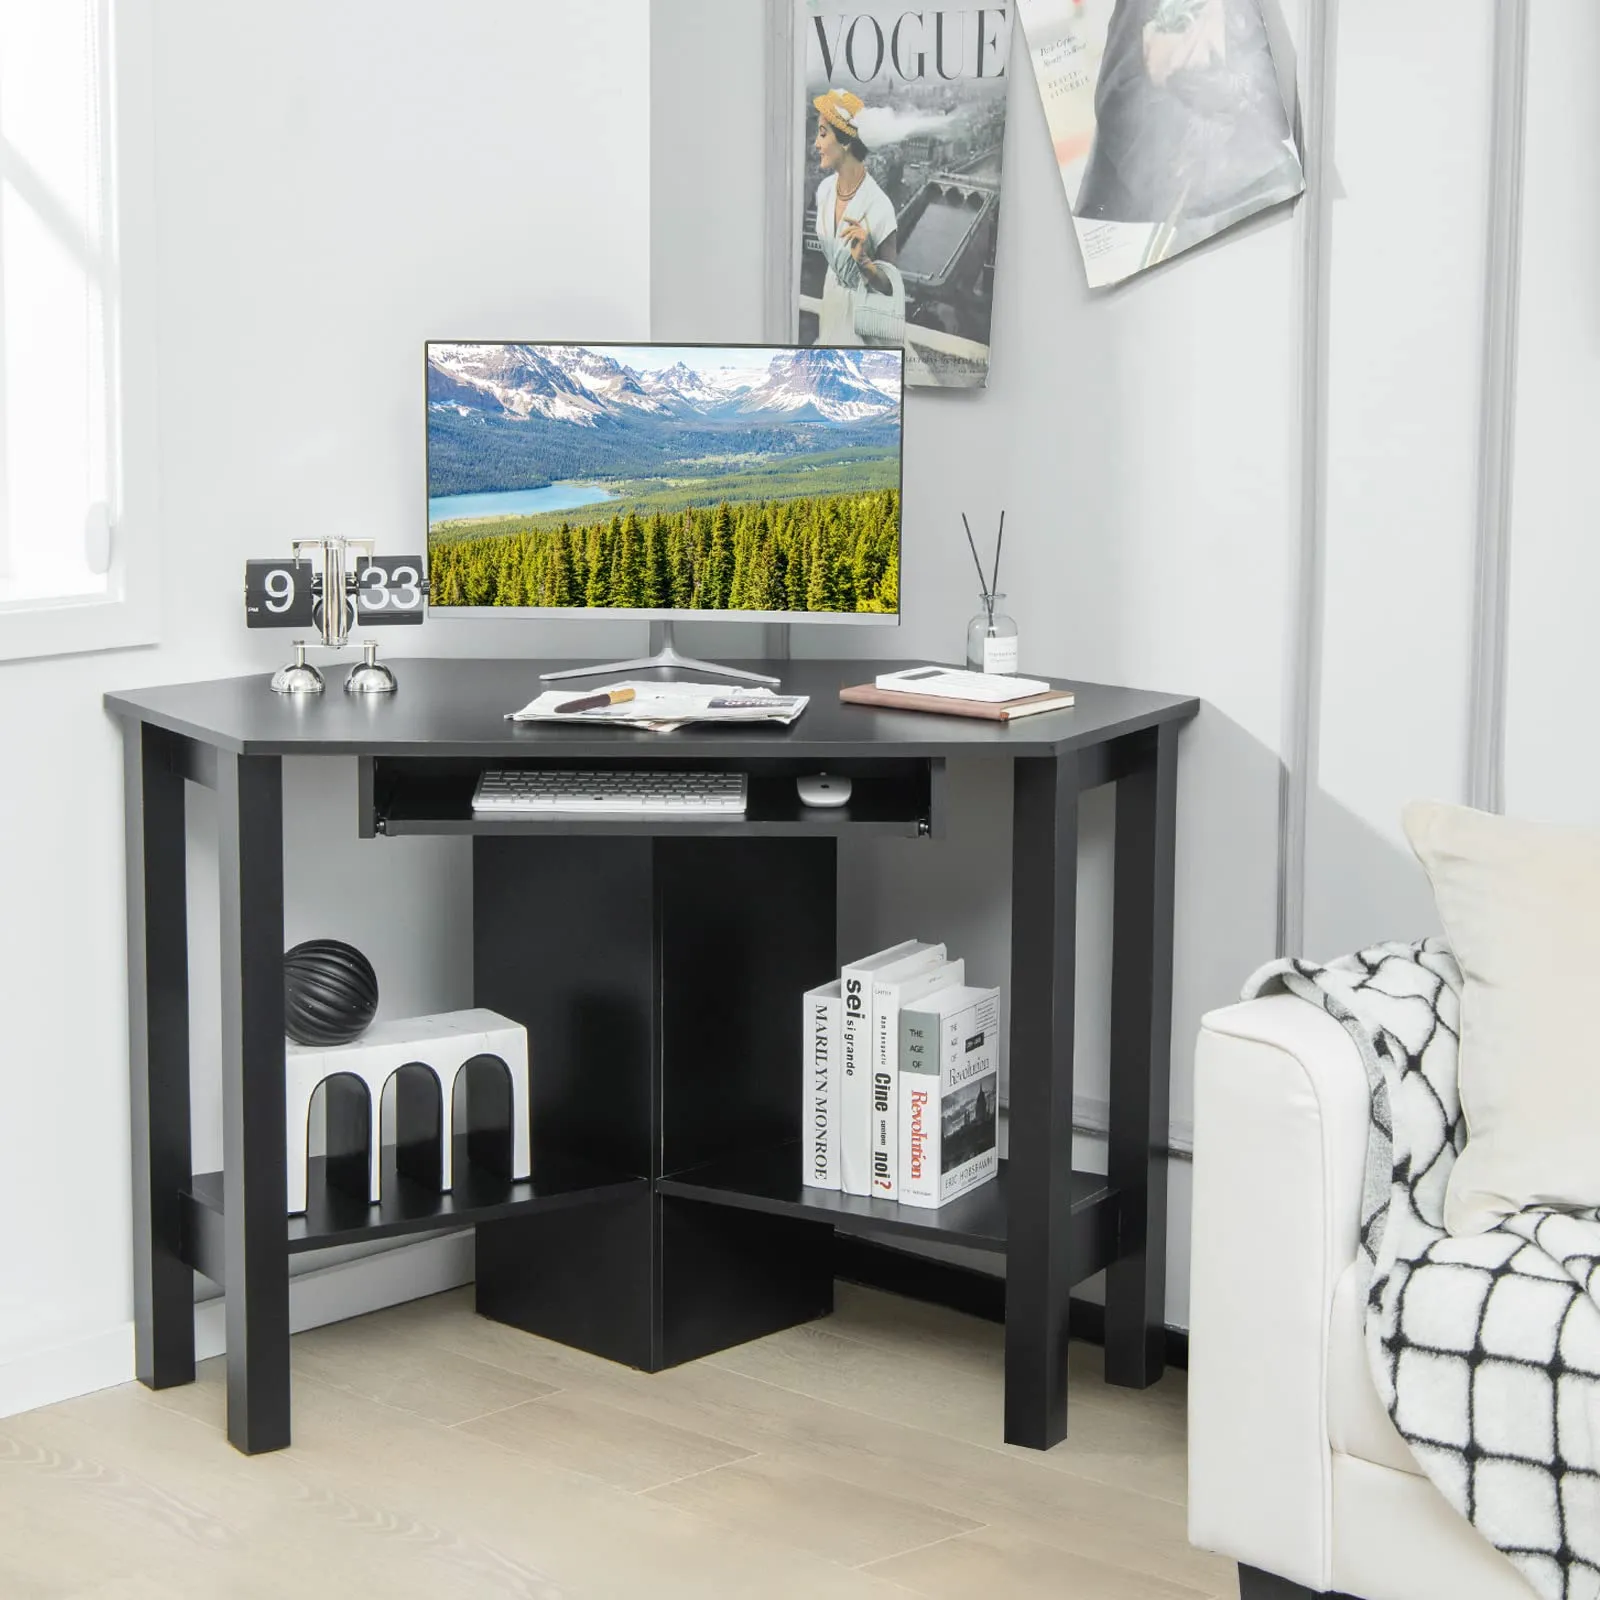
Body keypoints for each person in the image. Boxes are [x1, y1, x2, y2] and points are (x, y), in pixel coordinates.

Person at [811, 89, 901, 345]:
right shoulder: (825, 191)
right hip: (829, 311)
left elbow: (890, 288)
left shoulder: (880, 207)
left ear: (846, 141)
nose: (817, 144)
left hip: (861, 329)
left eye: (822, 133)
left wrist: (863, 262)